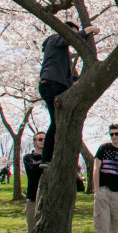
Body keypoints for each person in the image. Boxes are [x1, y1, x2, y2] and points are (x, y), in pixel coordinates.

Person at [38, 20, 100, 165]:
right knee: (56, 122)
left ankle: (47, 158)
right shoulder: (55, 38)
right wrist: (88, 29)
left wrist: (78, 79)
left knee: (57, 121)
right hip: (53, 84)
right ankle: (46, 158)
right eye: (72, 32)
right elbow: (69, 38)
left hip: (53, 84)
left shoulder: (56, 49)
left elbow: (65, 76)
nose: (74, 37)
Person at [23, 131, 46, 233]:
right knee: (32, 229)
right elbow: (34, 167)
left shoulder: (51, 158)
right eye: (40, 139)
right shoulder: (28, 157)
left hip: (47, 198)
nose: (43, 141)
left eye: (45, 139)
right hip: (33, 198)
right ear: (34, 142)